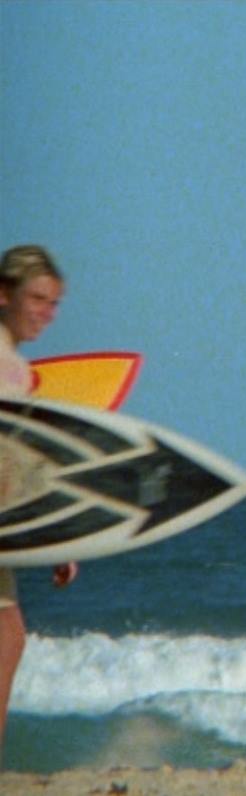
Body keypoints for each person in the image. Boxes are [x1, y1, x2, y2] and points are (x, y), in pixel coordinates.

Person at [0, 244, 79, 760]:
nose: (47, 313)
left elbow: (20, 462)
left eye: (54, 303)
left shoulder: (18, 369)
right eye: (37, 299)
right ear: (3, 294)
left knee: (9, 637)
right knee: (6, 638)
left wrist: (56, 536)